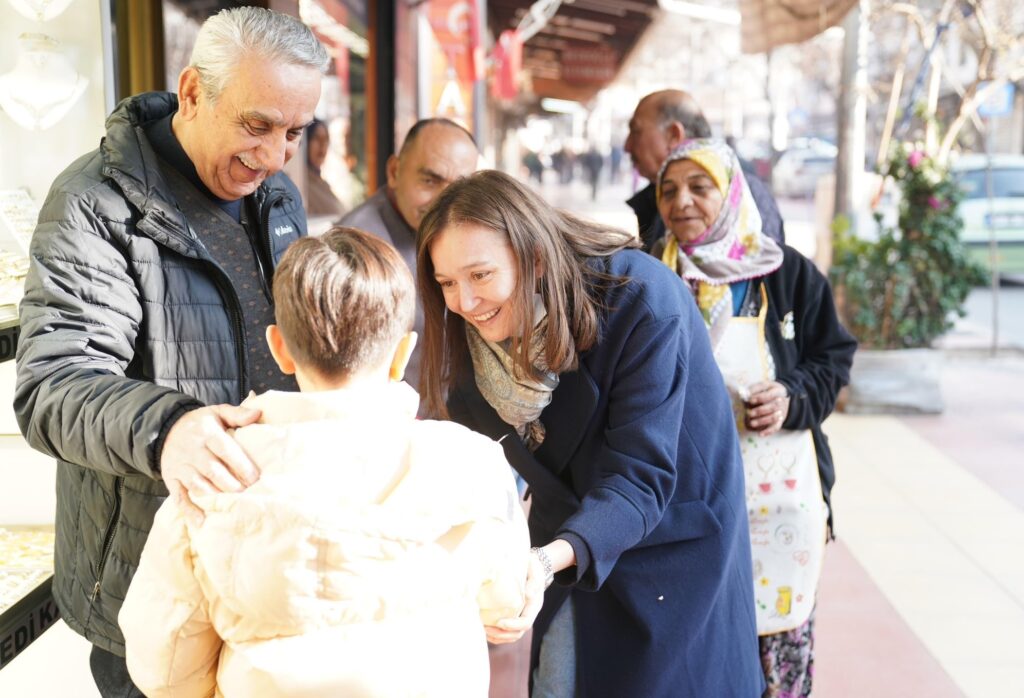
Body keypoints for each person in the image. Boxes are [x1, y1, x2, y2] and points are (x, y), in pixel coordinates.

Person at [12, 8, 328, 696]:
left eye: (294, 133)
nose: (275, 157)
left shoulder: (277, 196)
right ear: (191, 92)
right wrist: (168, 428)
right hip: (148, 585)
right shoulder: (94, 203)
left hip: (261, 576)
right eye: (256, 125)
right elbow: (52, 387)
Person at [118, 228, 530, 697]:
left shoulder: (212, 478)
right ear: (402, 355)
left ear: (280, 350)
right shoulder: (471, 463)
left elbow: (166, 667)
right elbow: (505, 605)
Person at [416, 169, 765, 697]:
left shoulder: (640, 300)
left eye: (480, 275)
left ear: (532, 257)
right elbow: (465, 466)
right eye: (446, 283)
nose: (463, 301)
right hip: (567, 552)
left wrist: (540, 562)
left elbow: (640, 480)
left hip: (672, 547)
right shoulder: (472, 339)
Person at [654, 138, 856, 697]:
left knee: (778, 655)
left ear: (733, 191)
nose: (682, 202)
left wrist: (792, 397)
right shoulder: (650, 276)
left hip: (779, 504)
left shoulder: (786, 274)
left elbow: (833, 358)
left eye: (700, 186)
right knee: (700, 653)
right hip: (686, 504)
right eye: (669, 190)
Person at [340, 117, 478, 390]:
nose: (444, 202)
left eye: (458, 187)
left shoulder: (465, 230)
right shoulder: (354, 248)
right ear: (394, 171)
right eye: (429, 181)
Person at [625, 89, 785, 251]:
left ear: (674, 135)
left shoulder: (743, 194)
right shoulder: (652, 199)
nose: (627, 146)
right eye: (669, 192)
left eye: (699, 188)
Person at [304, 118, 347, 217]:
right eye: (317, 138)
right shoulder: (302, 183)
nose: (323, 145)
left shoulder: (321, 183)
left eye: (326, 139)